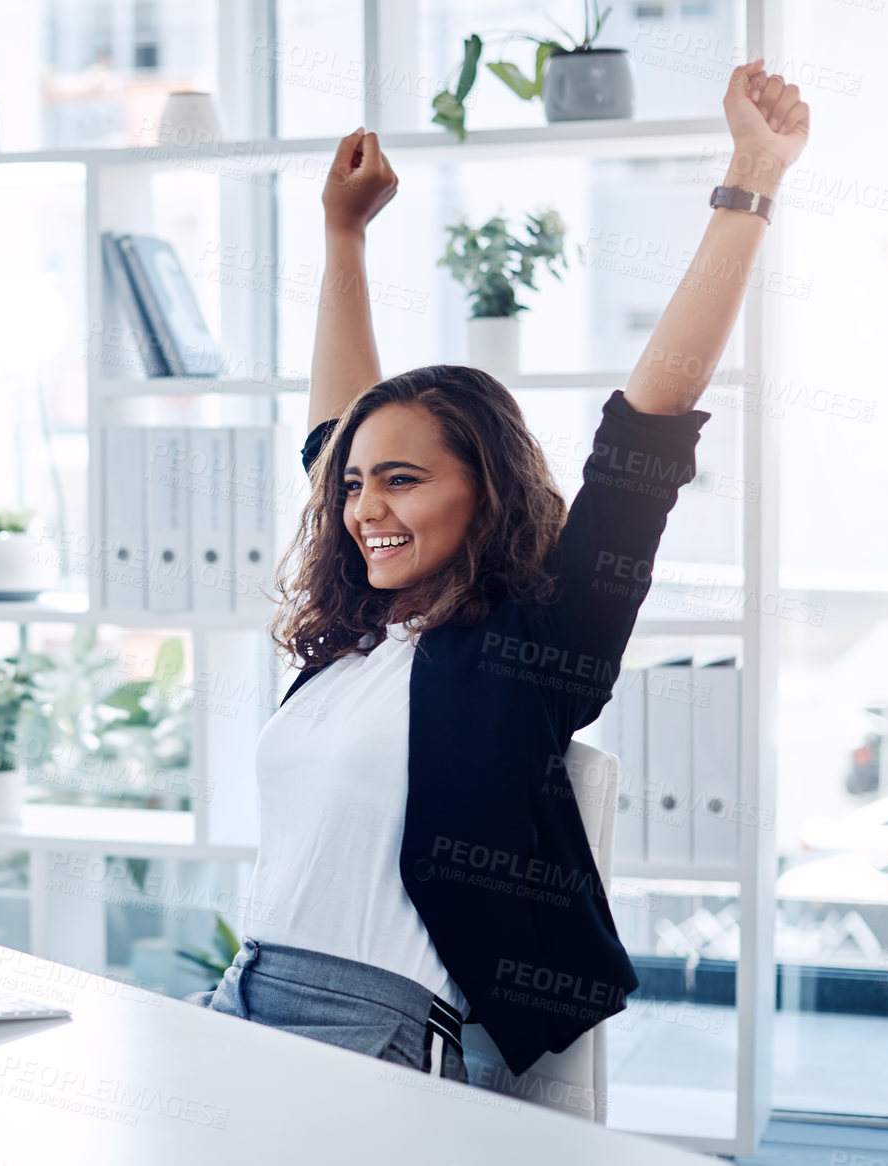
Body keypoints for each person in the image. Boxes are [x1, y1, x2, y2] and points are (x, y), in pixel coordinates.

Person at [186, 60, 809, 1088]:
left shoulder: (531, 646)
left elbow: (643, 435)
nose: (361, 508)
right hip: (237, 994)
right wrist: (341, 238)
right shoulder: (358, 639)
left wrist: (750, 175)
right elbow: (331, 431)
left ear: (485, 489)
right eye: (351, 486)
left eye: (399, 480)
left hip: (373, 1039)